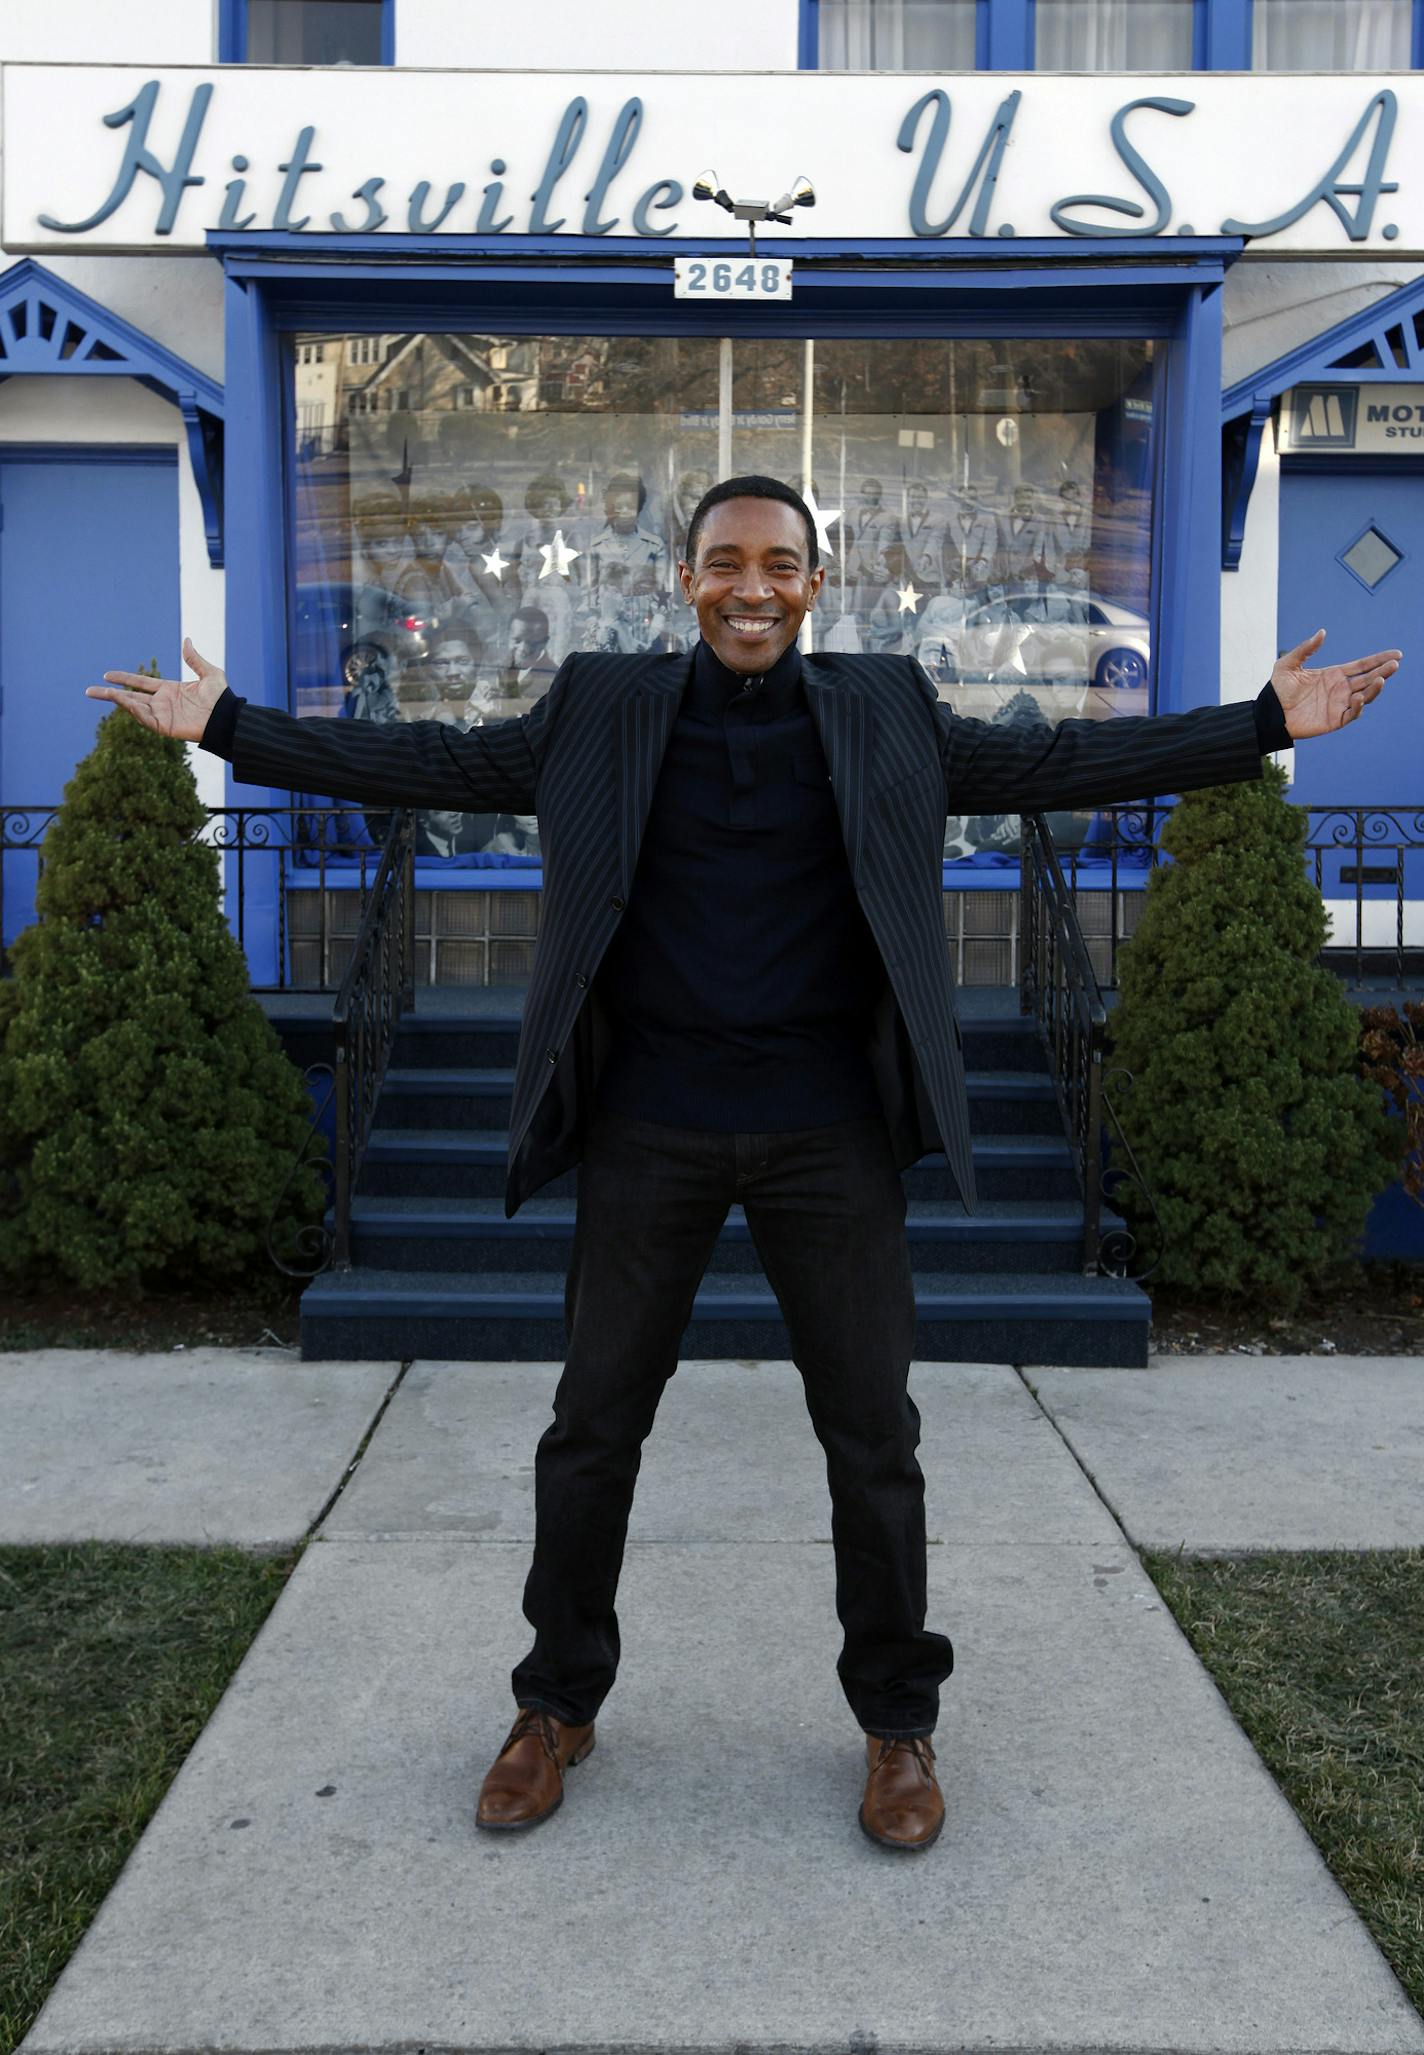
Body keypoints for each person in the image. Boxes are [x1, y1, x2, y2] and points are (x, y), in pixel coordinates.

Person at [90, 475, 1401, 1857]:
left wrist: (1261, 727)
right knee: (592, 1428)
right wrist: (227, 728)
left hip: (829, 1131)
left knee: (874, 1440)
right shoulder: (601, 704)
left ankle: (899, 1724)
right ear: (686, 578)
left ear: (815, 583)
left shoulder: (886, 705)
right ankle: (556, 1704)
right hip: (648, 1125)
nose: (753, 586)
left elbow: (1051, 771)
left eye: (780, 562)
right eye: (727, 562)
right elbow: (437, 766)